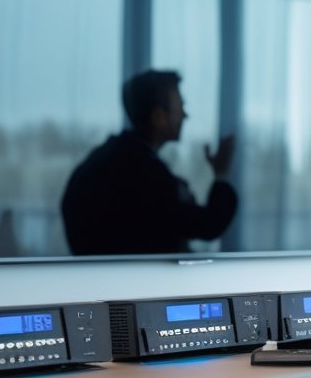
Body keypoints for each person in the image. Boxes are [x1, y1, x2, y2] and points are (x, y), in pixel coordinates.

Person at [61, 70, 238, 256]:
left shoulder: (106, 160)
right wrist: (221, 174)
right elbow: (206, 225)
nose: (185, 116)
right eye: (181, 107)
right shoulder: (145, 174)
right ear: (159, 117)